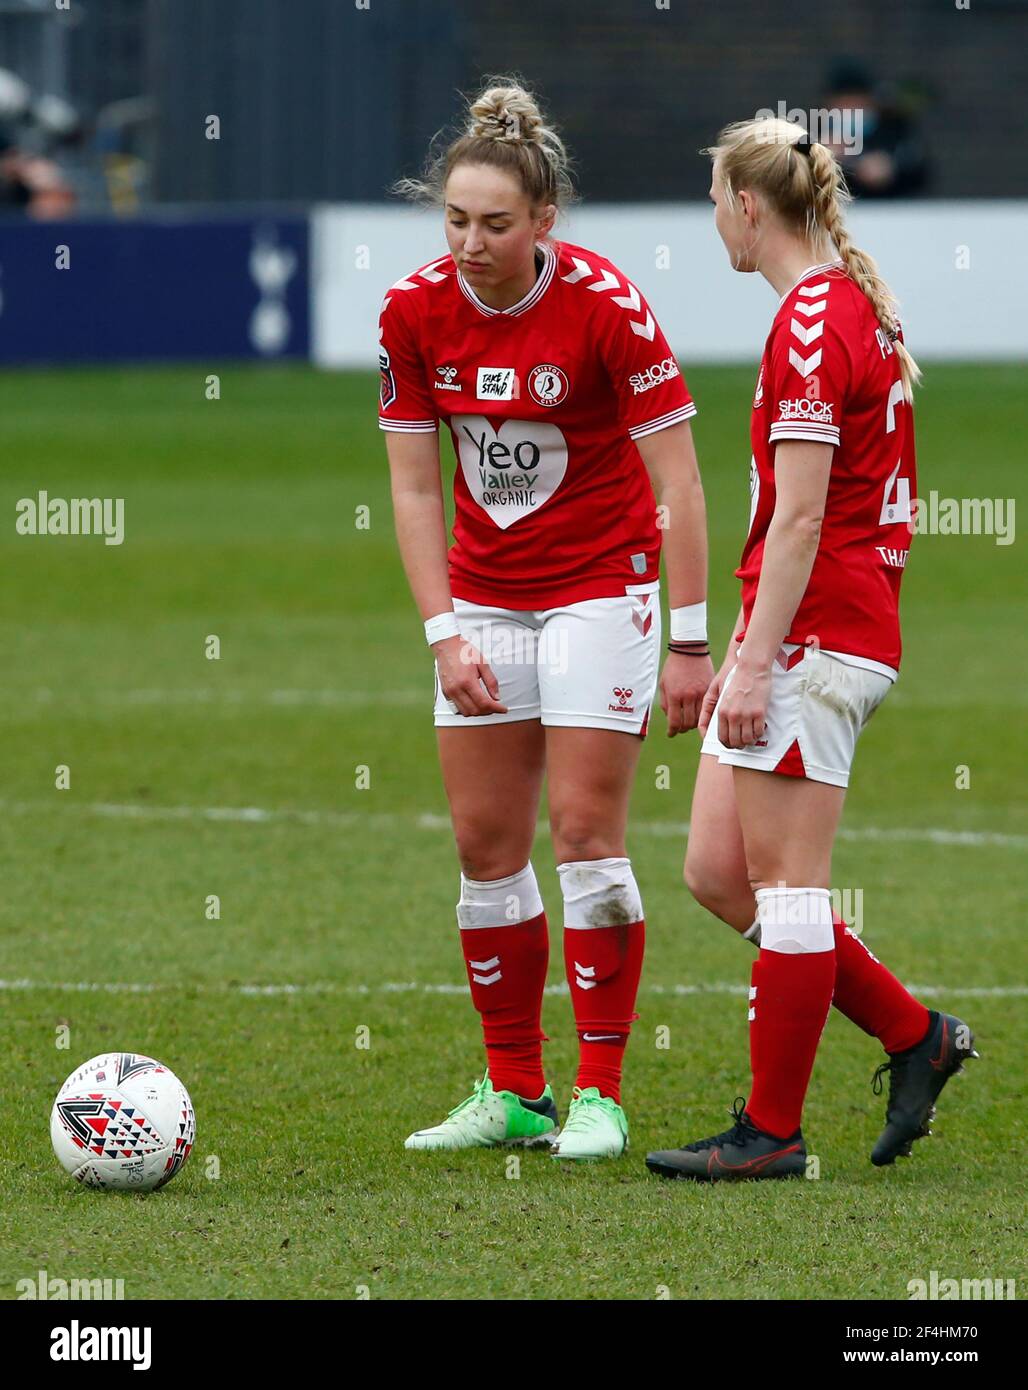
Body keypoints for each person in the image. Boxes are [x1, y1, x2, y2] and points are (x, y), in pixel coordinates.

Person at [379, 78, 713, 1160]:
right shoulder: (412, 311)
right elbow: (418, 490)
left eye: (495, 224)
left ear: (543, 222)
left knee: (582, 835)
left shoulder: (607, 308)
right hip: (480, 599)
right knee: (483, 846)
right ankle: (513, 1089)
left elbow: (681, 486)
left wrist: (692, 638)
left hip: (596, 592)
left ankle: (599, 1092)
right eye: (456, 221)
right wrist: (443, 630)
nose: (470, 244)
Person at [645, 117, 975, 1182]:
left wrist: (748, 662)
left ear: (747, 205)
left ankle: (769, 1133)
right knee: (714, 871)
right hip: (804, 625)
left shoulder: (808, 325)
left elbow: (796, 520)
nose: (711, 222)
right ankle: (913, 1034)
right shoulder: (838, 306)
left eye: (711, 202)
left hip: (814, 634)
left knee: (786, 890)